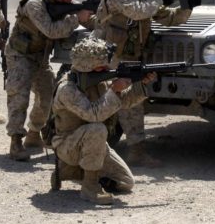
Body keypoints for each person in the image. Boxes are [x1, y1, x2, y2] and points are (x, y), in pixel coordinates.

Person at [95, 0, 196, 166]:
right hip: (108, 56)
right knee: (111, 101)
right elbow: (137, 11)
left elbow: (171, 18)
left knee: (134, 102)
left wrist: (186, 3)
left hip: (130, 56)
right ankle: (91, 149)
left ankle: (135, 152)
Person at [50, 38, 156, 204]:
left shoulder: (99, 81)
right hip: (68, 146)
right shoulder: (67, 89)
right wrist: (114, 89)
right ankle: (90, 187)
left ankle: (70, 172)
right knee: (97, 128)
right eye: (101, 66)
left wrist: (140, 85)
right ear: (87, 66)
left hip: (94, 145)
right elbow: (94, 115)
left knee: (125, 183)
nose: (107, 68)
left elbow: (125, 101)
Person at [5, 0, 95, 161]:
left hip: (40, 57)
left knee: (47, 98)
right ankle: (15, 142)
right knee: (19, 97)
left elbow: (87, 21)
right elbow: (51, 30)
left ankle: (33, 133)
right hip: (20, 55)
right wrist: (76, 18)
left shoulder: (63, 4)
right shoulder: (34, 4)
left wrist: (96, 20)